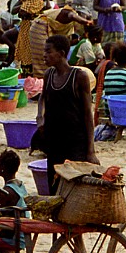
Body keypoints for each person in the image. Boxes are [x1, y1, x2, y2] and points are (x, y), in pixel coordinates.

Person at [37, 34, 97, 192]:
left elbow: (87, 115)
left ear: (62, 54)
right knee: (54, 185)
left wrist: (90, 151)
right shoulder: (49, 75)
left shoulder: (79, 77)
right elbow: (43, 98)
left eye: (49, 52)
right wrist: (40, 117)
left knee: (73, 188)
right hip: (54, 141)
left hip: (75, 143)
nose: (45, 55)